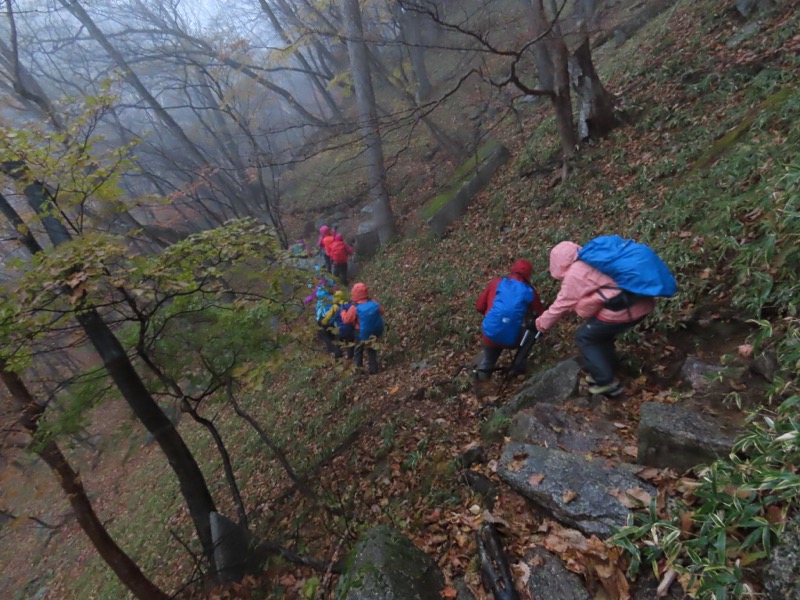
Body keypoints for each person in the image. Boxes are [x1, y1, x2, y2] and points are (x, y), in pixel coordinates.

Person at [534, 241, 655, 397]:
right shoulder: (594, 261)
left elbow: (561, 305)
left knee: (585, 337)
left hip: (624, 309)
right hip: (640, 302)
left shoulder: (575, 274)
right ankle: (605, 369)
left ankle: (606, 382)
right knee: (601, 335)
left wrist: (541, 324)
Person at [476, 259, 544, 380]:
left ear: (512, 270)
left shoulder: (496, 283)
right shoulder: (530, 292)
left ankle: (482, 384)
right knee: (532, 333)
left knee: (488, 361)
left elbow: (479, 306)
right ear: (529, 275)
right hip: (512, 338)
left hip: (490, 334)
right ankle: (517, 366)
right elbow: (540, 316)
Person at [342, 283, 384, 374]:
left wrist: (343, 311)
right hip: (373, 330)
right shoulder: (373, 302)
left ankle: (359, 371)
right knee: (371, 350)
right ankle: (374, 369)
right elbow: (382, 311)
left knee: (358, 351)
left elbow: (346, 320)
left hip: (359, 332)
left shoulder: (355, 307)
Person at [322, 290, 355, 359]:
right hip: (350, 328)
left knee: (337, 342)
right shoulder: (350, 305)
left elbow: (330, 317)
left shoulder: (335, 306)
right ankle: (350, 357)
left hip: (340, 329)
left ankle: (338, 356)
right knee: (349, 343)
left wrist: (325, 323)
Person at [315, 288, 342, 358]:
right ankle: (338, 351)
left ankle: (333, 352)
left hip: (324, 322)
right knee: (335, 336)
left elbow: (318, 315)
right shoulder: (332, 299)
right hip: (334, 321)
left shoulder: (319, 303)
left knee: (327, 338)